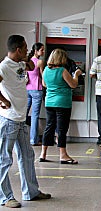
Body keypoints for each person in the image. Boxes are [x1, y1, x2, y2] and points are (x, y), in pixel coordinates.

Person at [0, 35, 51, 208]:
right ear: (18, 49)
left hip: (21, 120)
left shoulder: (21, 63)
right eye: (25, 47)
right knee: (4, 160)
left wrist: (28, 57)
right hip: (9, 120)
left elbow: (31, 65)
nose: (28, 50)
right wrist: (3, 100)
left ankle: (31, 192)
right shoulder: (5, 66)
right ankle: (5, 197)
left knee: (27, 156)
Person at [39, 48, 82, 164]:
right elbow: (73, 85)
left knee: (49, 127)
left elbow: (44, 84)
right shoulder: (62, 70)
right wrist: (77, 75)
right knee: (62, 129)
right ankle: (63, 155)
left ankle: (43, 153)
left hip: (49, 102)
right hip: (62, 103)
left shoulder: (46, 70)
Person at [26, 42, 45, 146]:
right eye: (42, 50)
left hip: (27, 89)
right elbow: (43, 76)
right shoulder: (39, 62)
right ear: (36, 51)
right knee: (35, 116)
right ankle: (33, 140)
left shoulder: (27, 61)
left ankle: (21, 138)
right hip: (37, 90)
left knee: (23, 115)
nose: (43, 51)